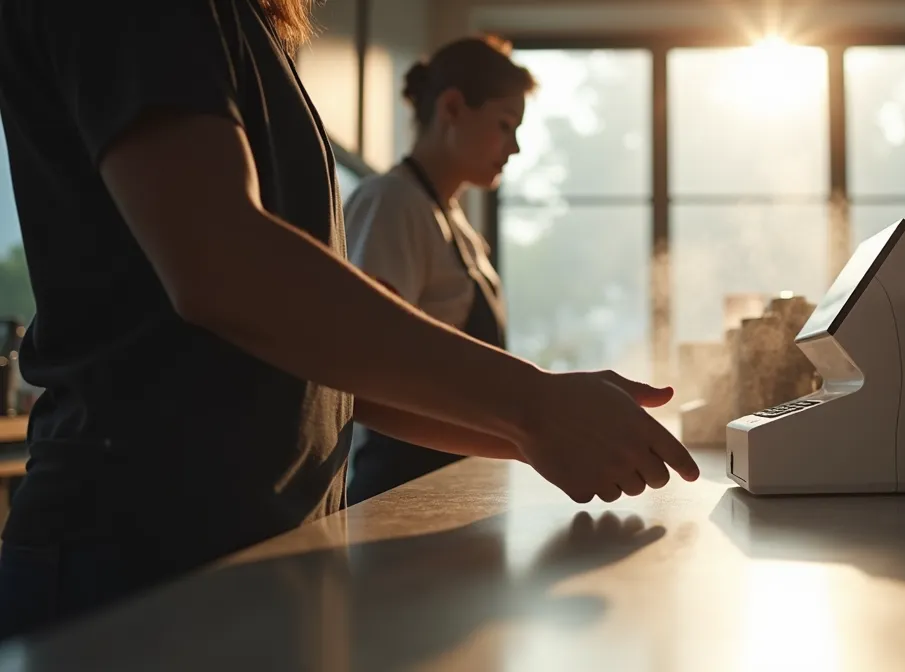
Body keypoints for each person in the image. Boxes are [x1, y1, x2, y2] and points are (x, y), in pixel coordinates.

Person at [0, 0, 698, 642]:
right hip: (133, 559)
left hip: (251, 551)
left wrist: (531, 431)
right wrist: (535, 406)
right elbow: (222, 265)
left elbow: (334, 371)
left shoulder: (245, 30)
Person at [343, 36, 529, 504]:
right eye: (505, 125)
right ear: (452, 107)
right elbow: (369, 366)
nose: (516, 147)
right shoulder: (391, 203)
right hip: (401, 491)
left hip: (455, 487)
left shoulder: (461, 229)